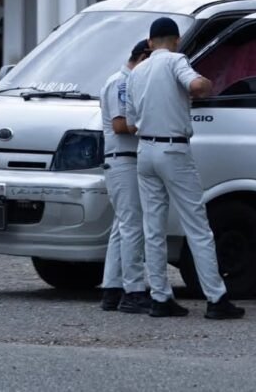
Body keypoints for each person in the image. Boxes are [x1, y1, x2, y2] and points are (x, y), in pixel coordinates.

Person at [126, 16, 244, 320]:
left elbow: (130, 122)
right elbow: (196, 86)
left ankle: (160, 298)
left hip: (145, 150)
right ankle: (216, 298)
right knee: (197, 226)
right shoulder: (176, 60)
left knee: (153, 228)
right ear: (176, 41)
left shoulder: (136, 72)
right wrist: (206, 83)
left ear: (150, 43)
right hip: (173, 149)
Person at [99, 39, 150, 314]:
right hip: (124, 159)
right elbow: (120, 125)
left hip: (124, 159)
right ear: (143, 57)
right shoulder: (122, 83)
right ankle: (134, 291)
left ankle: (112, 288)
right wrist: (154, 122)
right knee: (132, 227)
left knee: (122, 227)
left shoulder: (125, 81)